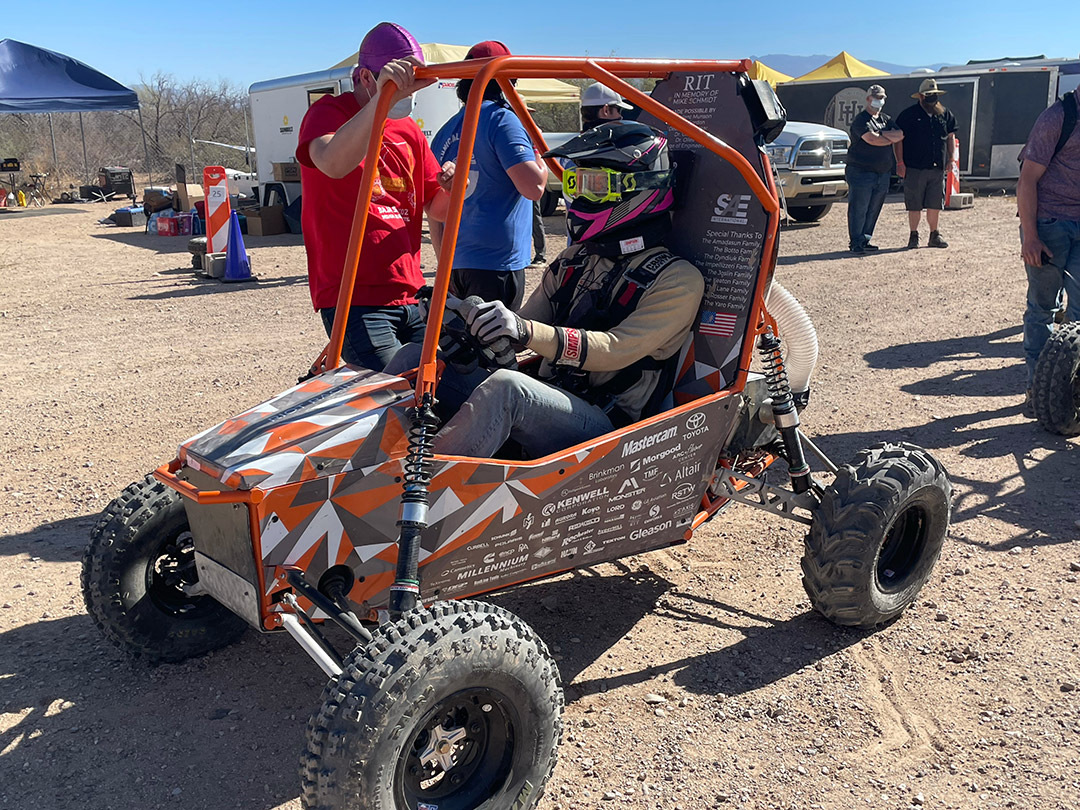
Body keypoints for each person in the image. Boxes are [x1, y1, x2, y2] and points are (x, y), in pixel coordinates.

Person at [388, 121, 704, 459]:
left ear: (640, 188)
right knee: (416, 355)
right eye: (574, 183)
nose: (581, 196)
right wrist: (467, 324)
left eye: (595, 185)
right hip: (553, 398)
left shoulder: (678, 279)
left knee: (508, 390)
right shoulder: (574, 260)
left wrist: (524, 330)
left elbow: (616, 350)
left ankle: (416, 491)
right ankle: (362, 463)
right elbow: (522, 326)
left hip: (611, 428)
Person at [296, 22, 454, 371]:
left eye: (416, 83)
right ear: (366, 78)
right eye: (402, 83)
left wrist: (456, 189)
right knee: (391, 397)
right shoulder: (328, 113)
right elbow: (333, 163)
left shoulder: (409, 130)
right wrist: (382, 102)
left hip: (410, 293)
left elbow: (435, 205)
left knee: (441, 388)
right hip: (355, 296)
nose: (409, 93)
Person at [429, 40, 548, 309]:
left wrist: (444, 262)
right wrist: (536, 146)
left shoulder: (447, 130)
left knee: (463, 348)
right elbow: (534, 187)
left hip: (456, 263)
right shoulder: (503, 119)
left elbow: (434, 211)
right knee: (496, 348)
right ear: (508, 81)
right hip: (496, 263)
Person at [1017, 89, 1080, 416]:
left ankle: (1071, 394)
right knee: (1043, 309)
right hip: (1050, 225)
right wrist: (1030, 236)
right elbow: (1027, 180)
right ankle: (1037, 389)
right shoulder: (1057, 118)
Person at [893, 78, 957, 249]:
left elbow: (950, 137)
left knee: (935, 202)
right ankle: (913, 235)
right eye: (929, 96)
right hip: (914, 167)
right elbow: (898, 140)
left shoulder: (944, 114)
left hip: (937, 167)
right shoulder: (908, 115)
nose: (932, 100)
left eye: (934, 95)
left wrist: (951, 159)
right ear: (920, 97)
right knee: (914, 203)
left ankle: (934, 234)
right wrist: (900, 163)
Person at [845, 84, 903, 253]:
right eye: (875, 98)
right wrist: (887, 137)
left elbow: (900, 135)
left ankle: (865, 239)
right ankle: (855, 242)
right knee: (859, 208)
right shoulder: (861, 120)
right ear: (868, 99)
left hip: (882, 172)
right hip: (861, 172)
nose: (878, 101)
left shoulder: (885, 119)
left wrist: (882, 136)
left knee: (873, 209)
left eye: (881, 98)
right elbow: (871, 139)